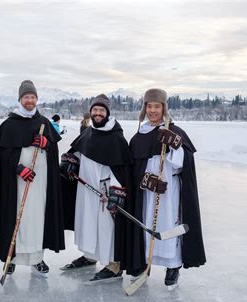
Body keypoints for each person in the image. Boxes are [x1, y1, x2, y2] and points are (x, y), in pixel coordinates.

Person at [128, 88, 206, 289]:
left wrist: (175, 146)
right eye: (149, 106)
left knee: (169, 224)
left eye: (157, 106)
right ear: (144, 108)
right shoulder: (139, 135)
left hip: (169, 190)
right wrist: (144, 180)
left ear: (164, 108)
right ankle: (145, 262)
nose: (153, 110)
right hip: (147, 192)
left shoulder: (174, 131)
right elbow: (133, 168)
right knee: (147, 224)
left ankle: (173, 265)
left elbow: (184, 164)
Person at [0, 80, 65, 277]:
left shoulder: (44, 123)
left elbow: (53, 151)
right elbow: (3, 156)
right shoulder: (9, 124)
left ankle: (37, 258)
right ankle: (11, 258)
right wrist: (18, 168)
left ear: (36, 99)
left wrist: (47, 144)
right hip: (17, 183)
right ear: (20, 99)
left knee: (38, 218)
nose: (29, 100)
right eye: (26, 97)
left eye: (32, 97)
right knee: (16, 217)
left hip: (40, 182)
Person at [60, 94, 136, 284]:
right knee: (87, 223)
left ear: (108, 113)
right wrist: (70, 161)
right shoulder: (88, 132)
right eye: (95, 109)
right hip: (86, 188)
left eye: (102, 110)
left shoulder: (116, 137)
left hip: (104, 191)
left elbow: (120, 169)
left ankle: (114, 264)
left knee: (106, 228)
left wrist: (116, 192)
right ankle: (90, 255)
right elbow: (79, 151)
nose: (98, 113)